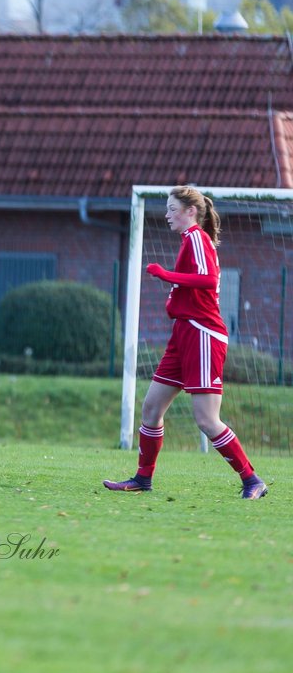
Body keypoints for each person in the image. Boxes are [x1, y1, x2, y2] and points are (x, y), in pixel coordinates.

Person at [104, 185, 268, 499]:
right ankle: (142, 479)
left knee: (207, 419)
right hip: (183, 334)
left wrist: (167, 276)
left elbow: (208, 281)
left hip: (203, 334)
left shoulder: (197, 238)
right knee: (151, 409)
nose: (166, 215)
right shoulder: (188, 241)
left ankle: (251, 480)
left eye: (171, 209)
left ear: (189, 211)